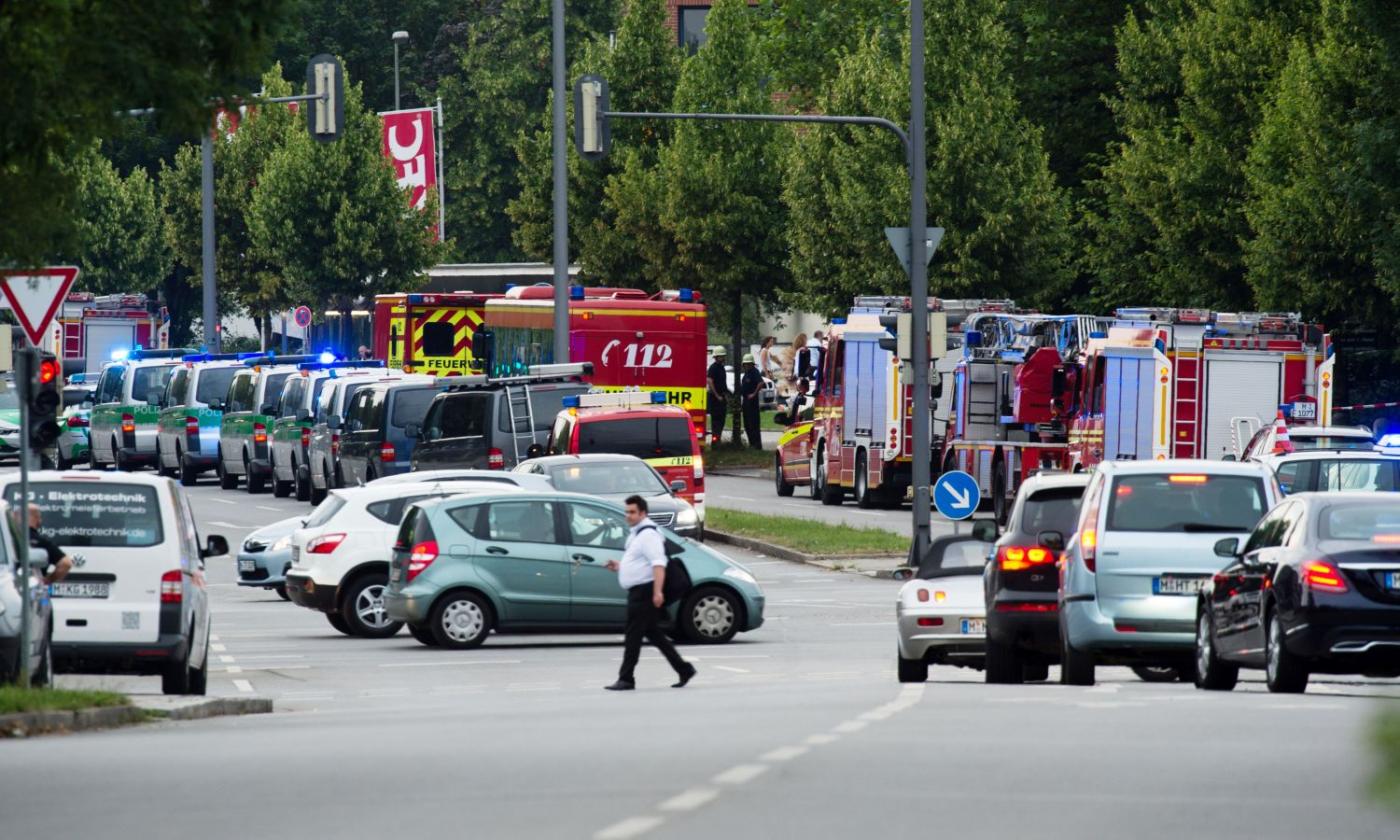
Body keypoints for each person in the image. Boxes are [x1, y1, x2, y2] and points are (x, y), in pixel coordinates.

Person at [604, 495, 696, 691]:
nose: (628, 515)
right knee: (653, 634)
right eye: (626, 511)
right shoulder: (637, 534)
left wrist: (657, 592)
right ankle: (684, 669)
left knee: (633, 635)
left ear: (643, 513)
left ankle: (626, 678)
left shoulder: (648, 535)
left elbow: (658, 564)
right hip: (639, 590)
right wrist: (620, 566)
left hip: (645, 591)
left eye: (632, 512)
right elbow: (640, 563)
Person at [25, 505, 73, 584]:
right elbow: (65, 563)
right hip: (32, 590)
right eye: (40, 517)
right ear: (37, 519)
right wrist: (48, 580)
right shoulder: (40, 541)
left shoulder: (7, 538)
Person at [706, 347, 729, 445]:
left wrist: (725, 396)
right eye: (722, 356)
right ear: (717, 357)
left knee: (721, 420)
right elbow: (710, 381)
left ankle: (718, 440)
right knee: (716, 422)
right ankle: (715, 443)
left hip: (721, 398)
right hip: (715, 399)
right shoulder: (713, 367)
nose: (724, 358)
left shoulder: (721, 367)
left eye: (724, 356)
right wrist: (717, 395)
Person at [740, 353, 763, 450]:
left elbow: (761, 383)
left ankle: (756, 445)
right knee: (747, 424)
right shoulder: (746, 373)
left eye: (749, 364)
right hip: (746, 402)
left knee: (753, 424)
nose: (747, 365)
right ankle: (751, 444)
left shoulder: (754, 372)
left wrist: (754, 393)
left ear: (752, 364)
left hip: (752, 402)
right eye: (745, 364)